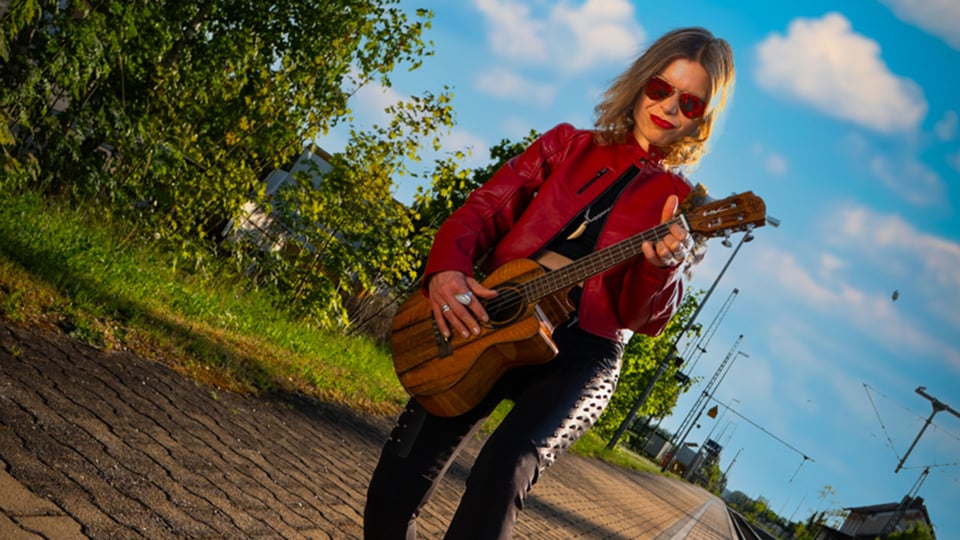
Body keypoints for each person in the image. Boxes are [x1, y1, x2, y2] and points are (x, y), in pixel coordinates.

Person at [364, 26, 736, 539]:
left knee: (507, 465)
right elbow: (484, 209)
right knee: (401, 470)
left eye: (689, 103)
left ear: (701, 120)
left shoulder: (683, 205)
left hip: (585, 353)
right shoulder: (568, 144)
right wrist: (447, 270)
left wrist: (660, 265)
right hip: (497, 310)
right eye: (660, 88)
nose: (669, 107)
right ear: (640, 84)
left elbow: (643, 318)